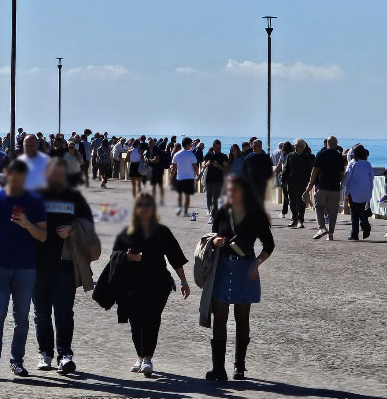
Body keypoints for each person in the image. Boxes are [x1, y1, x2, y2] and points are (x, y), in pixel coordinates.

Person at [0, 160, 47, 378]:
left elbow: (43, 235)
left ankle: (17, 362)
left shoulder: (35, 202)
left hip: (26, 268)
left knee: (21, 318)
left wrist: (27, 224)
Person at [113, 193, 189, 377]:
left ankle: (148, 358)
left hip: (158, 283)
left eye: (148, 205)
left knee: (151, 319)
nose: (144, 208)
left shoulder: (162, 231)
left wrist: (184, 281)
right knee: (136, 321)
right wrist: (127, 257)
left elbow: (175, 257)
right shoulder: (127, 232)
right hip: (132, 284)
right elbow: (114, 255)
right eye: (141, 205)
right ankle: (139, 356)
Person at [207, 174, 274, 381]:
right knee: (219, 319)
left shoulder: (255, 215)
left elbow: (269, 245)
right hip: (223, 267)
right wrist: (216, 240)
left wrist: (256, 264)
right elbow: (213, 235)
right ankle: (218, 368)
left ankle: (239, 367)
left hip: (246, 268)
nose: (230, 193)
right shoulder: (221, 212)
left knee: (242, 318)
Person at [34, 160, 94, 374]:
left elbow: (88, 221)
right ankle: (45, 354)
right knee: (41, 312)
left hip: (65, 262)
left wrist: (72, 227)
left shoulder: (74, 197)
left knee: (64, 312)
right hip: (38, 263)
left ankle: (65, 355)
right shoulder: (35, 195)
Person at [306, 136, 344, 241]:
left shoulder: (321, 154)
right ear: (336, 144)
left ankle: (322, 228)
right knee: (333, 212)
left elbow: (315, 170)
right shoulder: (339, 156)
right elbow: (342, 173)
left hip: (322, 186)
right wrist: (341, 184)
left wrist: (310, 184)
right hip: (335, 188)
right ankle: (330, 234)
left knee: (319, 208)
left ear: (327, 143)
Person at [342, 144, 374, 241]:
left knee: (354, 213)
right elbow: (371, 177)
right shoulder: (367, 164)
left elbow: (347, 177)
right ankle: (364, 226)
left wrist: (342, 185)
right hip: (365, 190)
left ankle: (355, 233)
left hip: (354, 191)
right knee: (360, 210)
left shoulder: (353, 163)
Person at [283, 140, 314, 229]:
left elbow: (310, 170)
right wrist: (283, 179)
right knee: (291, 201)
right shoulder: (291, 155)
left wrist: (310, 182)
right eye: (295, 146)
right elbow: (286, 168)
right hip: (291, 181)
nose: (296, 147)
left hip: (302, 182)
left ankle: (301, 220)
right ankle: (294, 219)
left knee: (301, 202)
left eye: (298, 146)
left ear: (303, 147)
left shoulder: (307, 157)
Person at [170, 138, 198, 216]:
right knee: (187, 196)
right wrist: (198, 175)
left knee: (179, 194)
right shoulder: (191, 154)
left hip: (180, 177)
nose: (191, 145)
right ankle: (185, 212)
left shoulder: (177, 154)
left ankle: (179, 207)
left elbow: (174, 167)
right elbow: (195, 166)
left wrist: (171, 175)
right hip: (189, 178)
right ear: (187, 144)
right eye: (191, 144)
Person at [202, 140, 229, 219]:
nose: (218, 149)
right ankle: (210, 211)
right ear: (213, 147)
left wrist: (218, 166)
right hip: (209, 180)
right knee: (209, 197)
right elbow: (203, 166)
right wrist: (207, 164)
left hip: (218, 180)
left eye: (219, 148)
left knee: (216, 198)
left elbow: (227, 169)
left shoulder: (223, 156)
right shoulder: (209, 154)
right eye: (217, 148)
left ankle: (213, 216)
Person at [144, 138, 165, 206]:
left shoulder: (156, 149)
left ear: (153, 143)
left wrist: (149, 160)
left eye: (151, 143)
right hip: (153, 169)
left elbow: (156, 160)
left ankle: (161, 200)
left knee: (160, 185)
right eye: (149, 143)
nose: (149, 144)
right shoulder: (148, 150)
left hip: (159, 169)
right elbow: (146, 157)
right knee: (153, 185)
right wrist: (147, 159)